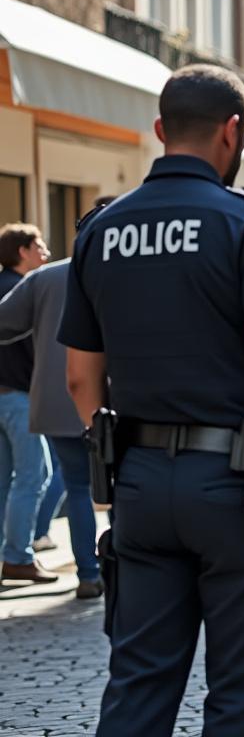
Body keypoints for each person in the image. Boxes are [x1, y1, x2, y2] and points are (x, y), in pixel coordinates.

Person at [58, 63, 244, 736]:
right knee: (242, 687)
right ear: (233, 131)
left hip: (140, 486)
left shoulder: (102, 230)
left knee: (139, 679)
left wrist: (121, 446)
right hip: (238, 485)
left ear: (159, 130)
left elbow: (78, 380)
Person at [0, 250, 102, 597]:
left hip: (56, 400)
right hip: (116, 397)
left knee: (76, 486)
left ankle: (89, 574)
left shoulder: (46, 277)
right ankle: (122, 571)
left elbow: (4, 322)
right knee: (123, 486)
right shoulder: (128, 266)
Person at [0, 223, 53, 583]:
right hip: (17, 396)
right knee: (35, 476)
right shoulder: (23, 290)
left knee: (6, 480)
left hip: (7, 396)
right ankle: (18, 556)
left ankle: (13, 555)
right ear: (23, 251)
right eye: (39, 245)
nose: (45, 251)